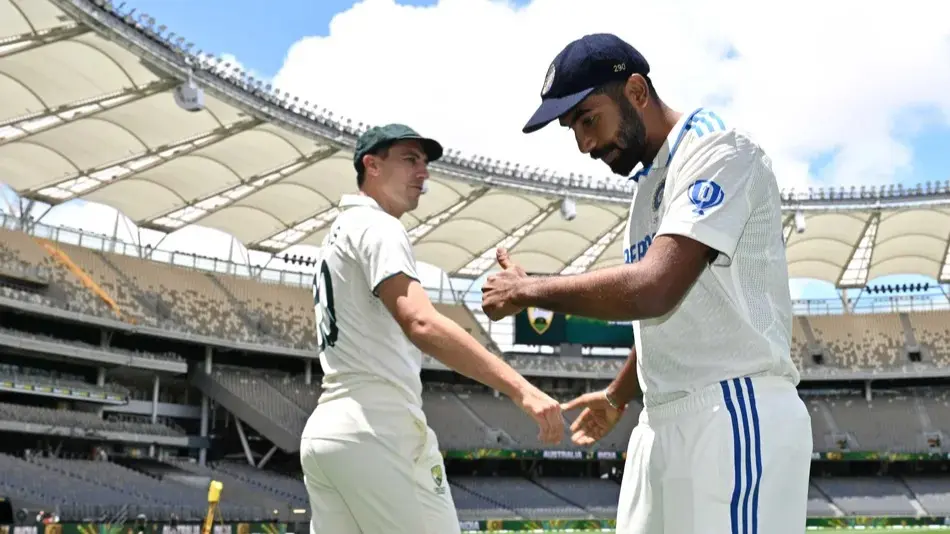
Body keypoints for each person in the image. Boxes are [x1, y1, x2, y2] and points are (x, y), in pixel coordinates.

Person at [481, 33, 813, 534]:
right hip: (660, 420)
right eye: (573, 129)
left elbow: (655, 287)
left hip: (732, 410)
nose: (584, 144)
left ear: (636, 91)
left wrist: (527, 290)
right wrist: (617, 395)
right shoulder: (649, 185)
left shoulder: (719, 149)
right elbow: (668, 316)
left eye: (589, 119)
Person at [299, 123, 564, 534]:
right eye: (409, 159)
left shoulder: (338, 232)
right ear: (371, 164)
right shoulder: (379, 226)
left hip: (327, 432)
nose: (423, 172)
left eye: (425, 163)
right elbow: (420, 320)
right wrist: (523, 389)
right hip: (378, 427)